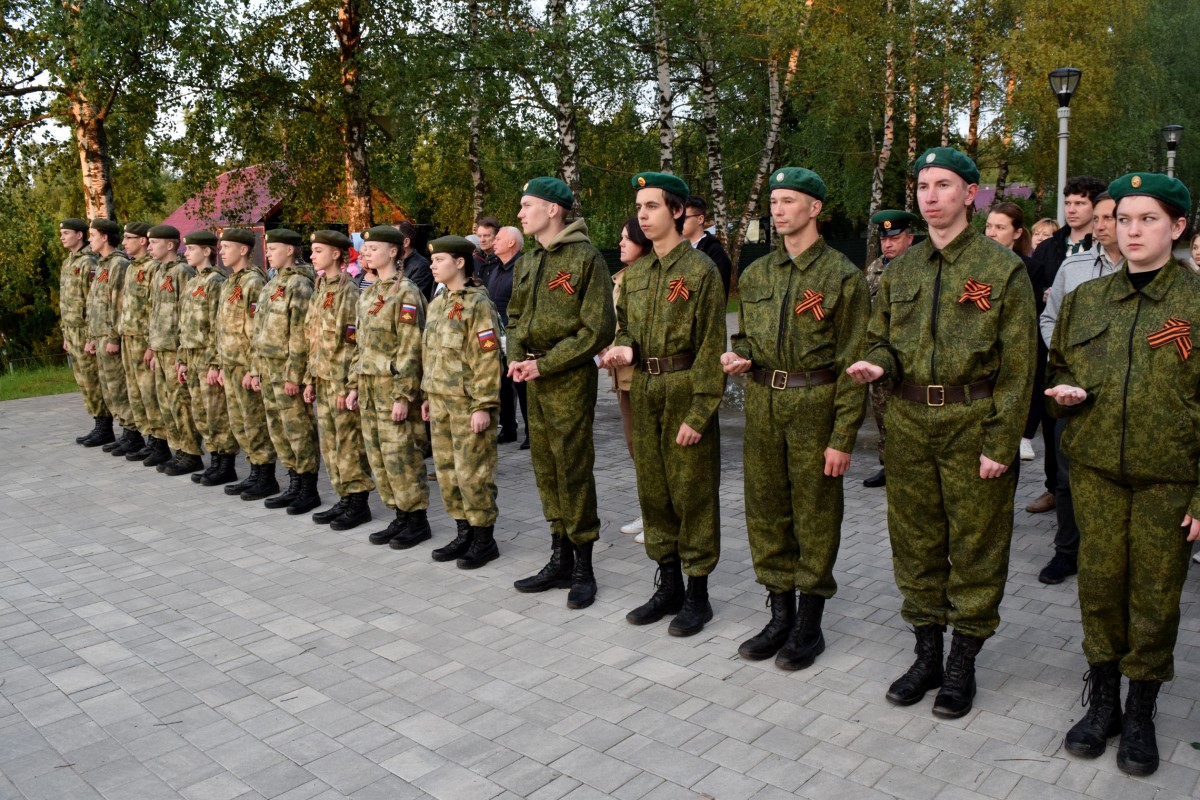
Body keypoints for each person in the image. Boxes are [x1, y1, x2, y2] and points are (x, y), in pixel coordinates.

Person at [847, 147, 1036, 718]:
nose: (930, 196)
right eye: (924, 186)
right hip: (907, 424)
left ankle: (962, 664)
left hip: (971, 423)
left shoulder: (1002, 269)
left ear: (970, 195)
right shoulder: (902, 269)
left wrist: (1001, 443)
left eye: (944, 185)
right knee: (916, 542)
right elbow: (881, 338)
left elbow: (1019, 367)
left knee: (976, 545)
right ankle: (927, 654)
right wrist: (877, 362)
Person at [1046, 173, 1199, 777]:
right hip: (1097, 470)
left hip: (1170, 477)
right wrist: (1065, 393)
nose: (1132, 231)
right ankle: (1104, 700)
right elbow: (1059, 366)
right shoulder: (1087, 299)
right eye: (1124, 218)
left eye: (1148, 219)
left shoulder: (1195, 302)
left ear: (1178, 227)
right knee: (1100, 585)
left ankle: (1141, 709)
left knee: (1156, 596)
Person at [722, 167, 869, 669]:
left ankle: (809, 624)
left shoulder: (842, 276)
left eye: (788, 201)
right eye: (774, 202)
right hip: (764, 403)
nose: (778, 210)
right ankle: (779, 613)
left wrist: (842, 436)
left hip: (815, 405)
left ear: (815, 208)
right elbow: (745, 336)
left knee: (815, 515)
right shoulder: (759, 273)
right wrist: (739, 356)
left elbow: (854, 362)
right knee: (765, 510)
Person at [601, 171, 726, 637]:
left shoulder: (701, 271)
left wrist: (700, 411)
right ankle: (668, 584)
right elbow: (626, 326)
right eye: (639, 208)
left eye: (652, 206)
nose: (643, 215)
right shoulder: (636, 275)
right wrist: (624, 347)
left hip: (685, 388)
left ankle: (698, 595)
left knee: (692, 494)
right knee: (653, 491)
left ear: (676, 211)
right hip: (647, 389)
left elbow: (712, 345)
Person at [507, 177, 615, 610]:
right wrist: (516, 355)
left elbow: (597, 330)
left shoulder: (586, 259)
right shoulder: (530, 260)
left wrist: (545, 364)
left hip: (566, 378)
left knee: (572, 467)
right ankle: (560, 556)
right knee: (545, 466)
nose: (520, 213)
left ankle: (584, 565)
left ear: (553, 209)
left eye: (527, 205)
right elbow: (514, 316)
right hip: (533, 378)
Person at [1037, 193, 1121, 586]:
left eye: (1111, 217)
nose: (1101, 225)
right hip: (1074, 392)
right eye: (1097, 218)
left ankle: (1110, 555)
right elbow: (1049, 318)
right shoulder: (1074, 267)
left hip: (1126, 398)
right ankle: (1066, 553)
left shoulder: (1147, 269)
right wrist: (1067, 361)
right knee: (1066, 478)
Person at [1026, 176, 1108, 515]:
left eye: (1080, 203)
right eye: (1068, 202)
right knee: (1053, 424)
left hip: (1098, 360)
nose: (1072, 209)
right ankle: (1054, 490)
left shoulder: (1107, 247)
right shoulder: (1050, 247)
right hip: (1054, 355)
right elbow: (1034, 293)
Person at [346, 225, 431, 549]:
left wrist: (404, 395)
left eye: (374, 248)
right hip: (369, 390)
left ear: (394, 252)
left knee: (402, 457)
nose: (366, 253)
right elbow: (360, 346)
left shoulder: (406, 292)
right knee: (380, 458)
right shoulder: (368, 293)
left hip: (393, 391)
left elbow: (411, 348)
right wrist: (354, 385)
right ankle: (399, 514)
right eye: (365, 248)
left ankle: (416, 519)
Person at [421, 235, 503, 568]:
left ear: (459, 263)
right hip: (440, 401)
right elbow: (430, 353)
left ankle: (484, 539)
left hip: (468, 404)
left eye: (439, 259)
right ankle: (463, 531)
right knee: (448, 473)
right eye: (432, 260)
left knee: (473, 473)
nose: (433, 265)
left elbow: (487, 358)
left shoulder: (478, 303)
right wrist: (427, 394)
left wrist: (483, 404)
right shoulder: (438, 302)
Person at [304, 230, 375, 530]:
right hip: (322, 378)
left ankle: (358, 502)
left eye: (318, 250)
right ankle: (343, 496)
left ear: (336, 254)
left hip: (340, 382)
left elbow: (353, 343)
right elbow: (312, 337)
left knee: (348, 444)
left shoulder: (348, 291)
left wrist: (349, 386)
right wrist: (309, 378)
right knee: (331, 444)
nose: (312, 256)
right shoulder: (321, 287)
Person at [250, 229, 321, 513]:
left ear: (290, 250)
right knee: (278, 430)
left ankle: (308, 488)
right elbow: (259, 330)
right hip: (269, 369)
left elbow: (300, 334)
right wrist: (256, 368)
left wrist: (294, 375)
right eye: (268, 249)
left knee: (298, 430)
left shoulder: (300, 284)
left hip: (286, 371)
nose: (268, 253)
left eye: (273, 248)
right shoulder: (273, 283)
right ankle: (293, 482)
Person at [213, 229, 277, 496]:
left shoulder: (253, 281)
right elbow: (222, 326)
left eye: (226, 246)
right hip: (230, 362)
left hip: (245, 364)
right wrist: (219, 362)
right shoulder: (231, 281)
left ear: (243, 250)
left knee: (254, 421)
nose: (221, 252)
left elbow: (256, 329)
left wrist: (254, 368)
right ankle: (254, 471)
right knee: (239, 423)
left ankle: (266, 476)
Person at [862, 209, 918, 488]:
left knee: (909, 416)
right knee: (882, 412)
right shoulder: (875, 268)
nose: (888, 244)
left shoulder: (920, 267)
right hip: (879, 354)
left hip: (910, 357)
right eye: (884, 239)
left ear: (909, 238)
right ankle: (888, 466)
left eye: (894, 238)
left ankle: (911, 468)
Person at [606, 215, 652, 541]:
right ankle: (649, 511)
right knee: (636, 447)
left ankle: (659, 518)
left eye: (627, 238)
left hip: (642, 376)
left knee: (648, 449)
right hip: (623, 378)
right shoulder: (624, 278)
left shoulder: (646, 278)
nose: (620, 243)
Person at [174, 231, 234, 477]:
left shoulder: (215, 281)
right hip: (192, 355)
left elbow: (217, 326)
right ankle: (214, 457)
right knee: (200, 412)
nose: (186, 253)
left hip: (207, 356)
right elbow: (185, 324)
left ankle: (225, 463)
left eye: (191, 249)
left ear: (207, 251)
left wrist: (215, 363)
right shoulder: (194, 281)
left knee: (215, 412)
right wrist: (182, 358)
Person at [985, 203, 1038, 464]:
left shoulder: (1029, 269)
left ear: (1017, 233)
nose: (992, 233)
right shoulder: (975, 265)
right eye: (988, 226)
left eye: (1000, 227)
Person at [84, 218, 137, 454]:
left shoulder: (118, 264)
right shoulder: (102, 265)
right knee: (108, 388)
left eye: (93, 235)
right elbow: (95, 303)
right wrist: (92, 337)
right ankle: (125, 430)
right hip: (100, 335)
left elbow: (118, 304)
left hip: (111, 336)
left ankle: (132, 434)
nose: (89, 240)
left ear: (105, 237)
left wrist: (114, 337)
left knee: (119, 387)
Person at [145, 224, 195, 468]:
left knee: (181, 403)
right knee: (167, 403)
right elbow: (154, 311)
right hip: (161, 347)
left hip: (175, 348)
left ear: (170, 245)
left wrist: (182, 353)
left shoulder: (182, 271)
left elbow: (187, 313)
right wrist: (152, 347)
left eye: (154, 243)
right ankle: (178, 449)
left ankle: (191, 452)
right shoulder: (159, 271)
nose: (149, 247)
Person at [59, 218, 110, 446]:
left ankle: (104, 426)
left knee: (92, 379)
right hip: (72, 330)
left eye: (66, 233)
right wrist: (65, 333)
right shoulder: (68, 262)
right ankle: (97, 421)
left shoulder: (89, 261)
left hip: (85, 330)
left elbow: (93, 301)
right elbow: (65, 301)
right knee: (83, 381)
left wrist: (91, 336)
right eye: (62, 233)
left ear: (79, 235)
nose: (62, 237)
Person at [115, 222, 163, 461]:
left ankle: (159, 441)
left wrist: (151, 344)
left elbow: (154, 308)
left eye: (128, 238)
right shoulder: (132, 267)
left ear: (142, 240)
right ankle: (147, 436)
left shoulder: (154, 268)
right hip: (128, 337)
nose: (124, 242)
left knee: (149, 393)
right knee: (136, 393)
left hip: (143, 340)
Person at [485, 225, 529, 448]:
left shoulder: (523, 267)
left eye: (498, 239)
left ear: (512, 242)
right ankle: (508, 427)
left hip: (516, 335)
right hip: (496, 334)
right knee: (503, 383)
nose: (494, 242)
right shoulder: (496, 268)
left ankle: (531, 431)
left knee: (522, 385)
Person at [683, 196, 734, 296]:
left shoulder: (715, 253)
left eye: (684, 218)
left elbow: (718, 295)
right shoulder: (677, 249)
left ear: (700, 219)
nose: (679, 222)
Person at [398, 221, 435, 300]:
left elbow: (412, 300)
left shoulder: (421, 266)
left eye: (392, 238)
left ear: (406, 242)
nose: (387, 242)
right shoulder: (394, 263)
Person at [473, 215, 502, 285]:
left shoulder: (503, 261)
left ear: (496, 236)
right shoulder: (474, 260)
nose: (482, 240)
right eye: (479, 236)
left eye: (486, 236)